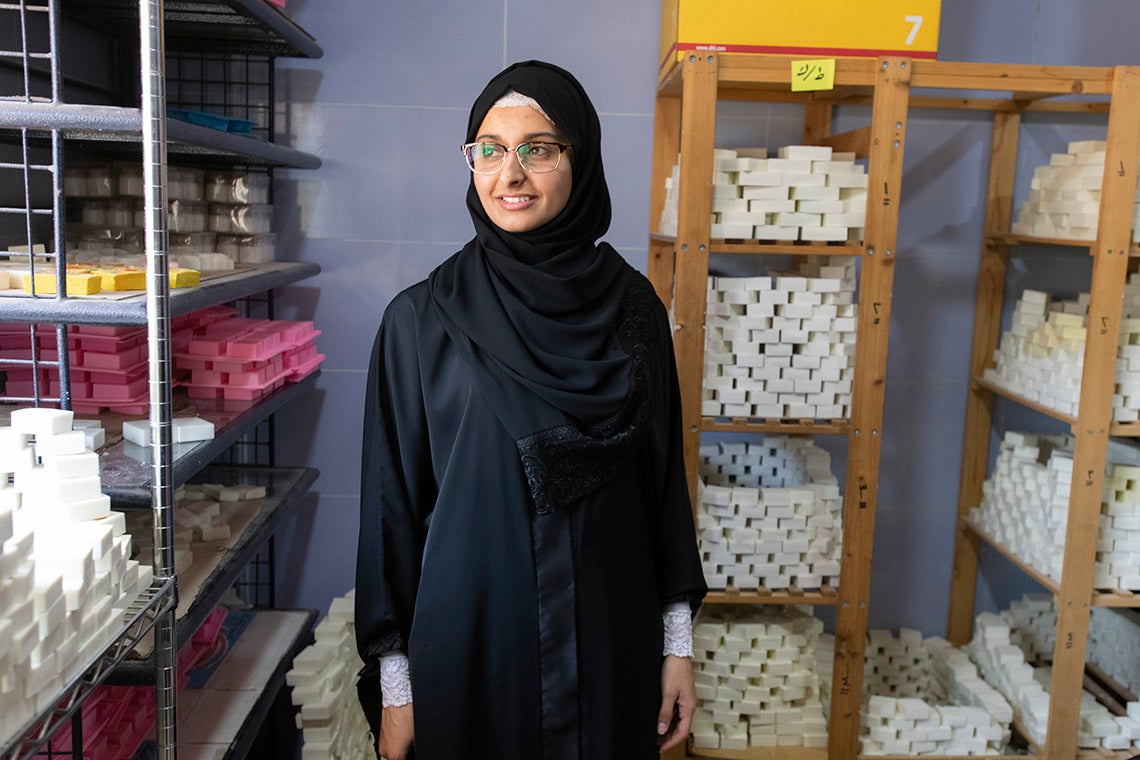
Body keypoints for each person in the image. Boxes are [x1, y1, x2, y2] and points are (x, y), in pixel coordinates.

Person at [355, 60, 707, 760]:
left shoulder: (633, 310)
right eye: (488, 150)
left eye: (537, 150)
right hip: (473, 653)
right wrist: (397, 689)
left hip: (611, 643)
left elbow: (663, 489)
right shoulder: (420, 323)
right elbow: (390, 516)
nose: (508, 175)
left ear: (581, 158)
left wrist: (677, 650)